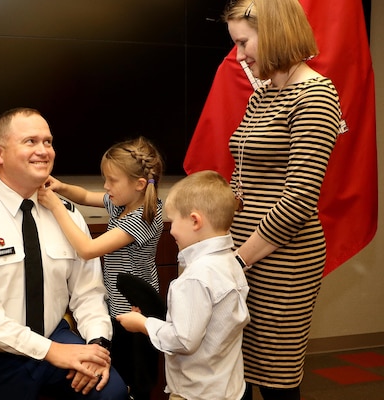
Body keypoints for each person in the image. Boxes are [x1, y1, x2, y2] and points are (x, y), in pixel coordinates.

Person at [0, 107, 129, 400]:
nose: (44, 151)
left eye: (48, 142)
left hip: (55, 335)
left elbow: (88, 292)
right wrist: (52, 352)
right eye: (31, 142)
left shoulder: (66, 214)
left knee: (110, 393)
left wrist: (97, 347)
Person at [224, 1, 342, 399]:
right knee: (234, 375)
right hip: (241, 255)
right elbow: (245, 172)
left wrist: (239, 260)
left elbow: (299, 200)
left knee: (274, 381)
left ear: (273, 33)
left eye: (243, 43)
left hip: (281, 262)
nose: (239, 56)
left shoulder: (315, 96)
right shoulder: (264, 94)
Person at [37, 136, 164, 400]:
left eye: (112, 181)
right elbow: (84, 196)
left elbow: (87, 249)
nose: (106, 187)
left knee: (134, 379)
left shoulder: (142, 219)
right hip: (118, 307)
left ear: (139, 184)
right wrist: (61, 187)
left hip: (134, 314)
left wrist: (55, 206)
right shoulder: (123, 203)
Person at [116, 170, 250, 400]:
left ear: (195, 221)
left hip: (195, 393)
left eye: (174, 220)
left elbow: (182, 340)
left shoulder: (195, 278)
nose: (172, 230)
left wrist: (143, 324)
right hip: (228, 387)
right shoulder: (231, 262)